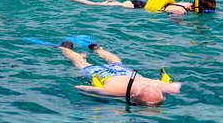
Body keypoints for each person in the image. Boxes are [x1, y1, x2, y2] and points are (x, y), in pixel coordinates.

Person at [54, 37, 182, 106]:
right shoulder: (111, 92)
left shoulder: (167, 88)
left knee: (115, 62)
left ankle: (97, 49)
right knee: (82, 65)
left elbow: (177, 85)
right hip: (106, 77)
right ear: (132, 98)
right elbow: (80, 87)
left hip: (127, 73)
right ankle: (65, 49)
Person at [56, 0, 216, 15]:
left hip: (142, 2)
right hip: (136, 6)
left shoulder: (188, 4)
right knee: (92, 6)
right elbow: (171, 16)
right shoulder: (181, 11)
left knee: (114, 2)